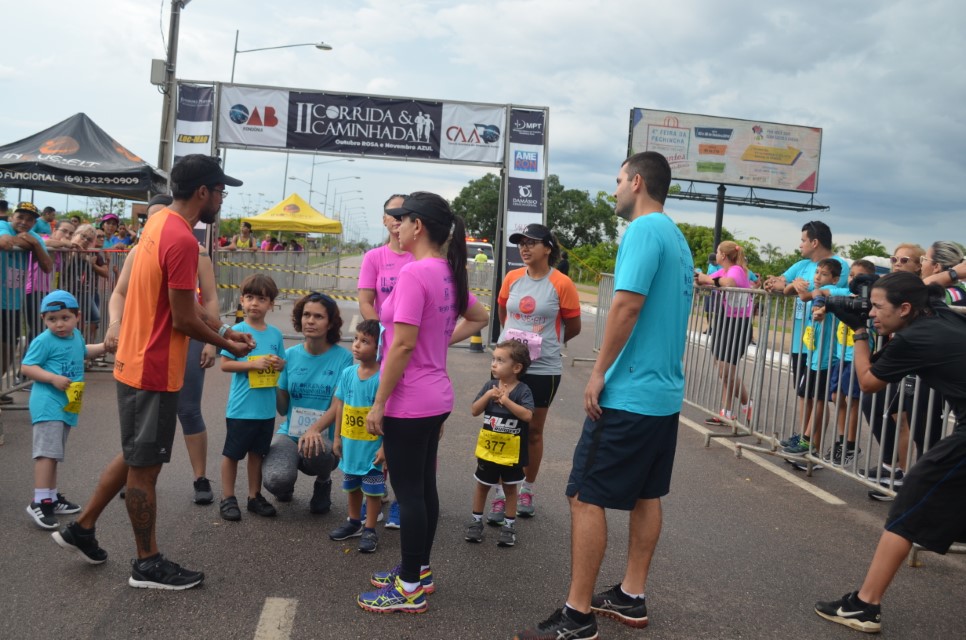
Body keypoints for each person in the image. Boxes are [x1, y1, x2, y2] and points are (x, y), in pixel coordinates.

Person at [51, 154, 253, 590]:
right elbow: (183, 319)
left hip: (137, 361)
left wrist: (224, 330)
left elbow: (183, 302)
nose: (223, 199)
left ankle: (82, 528)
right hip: (153, 369)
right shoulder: (181, 239)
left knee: (133, 455)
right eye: (220, 191)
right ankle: (147, 563)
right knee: (145, 469)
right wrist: (227, 344)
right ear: (203, 191)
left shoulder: (159, 224)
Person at [514, 151, 693, 640]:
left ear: (636, 183)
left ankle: (577, 616)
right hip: (663, 394)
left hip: (629, 392)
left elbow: (627, 305)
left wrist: (598, 373)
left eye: (617, 181)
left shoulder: (643, 230)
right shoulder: (676, 237)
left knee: (583, 496)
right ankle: (631, 595)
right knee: (646, 494)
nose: (614, 190)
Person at [358, 191, 488, 614]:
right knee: (423, 489)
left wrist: (378, 403)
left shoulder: (415, 273)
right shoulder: (447, 271)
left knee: (410, 493)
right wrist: (440, 340)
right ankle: (419, 570)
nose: (396, 225)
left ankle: (409, 588)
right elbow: (480, 316)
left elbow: (402, 345)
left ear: (419, 226)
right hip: (435, 395)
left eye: (403, 218)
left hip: (410, 399)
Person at [815, 271, 966, 634]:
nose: (870, 313)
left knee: (908, 504)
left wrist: (859, 332)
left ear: (906, 308)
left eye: (877, 307)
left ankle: (864, 606)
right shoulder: (940, 315)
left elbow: (868, 382)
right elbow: (924, 289)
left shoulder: (913, 338)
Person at [105, 194, 219, 505]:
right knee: (141, 420)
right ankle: (135, 475)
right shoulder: (139, 250)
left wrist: (212, 340)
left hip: (188, 336)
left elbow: (208, 299)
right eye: (152, 216)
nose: (158, 221)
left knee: (188, 409)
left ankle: (200, 477)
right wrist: (115, 324)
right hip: (145, 344)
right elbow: (119, 293)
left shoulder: (195, 250)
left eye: (162, 214)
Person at [491, 222, 581, 521]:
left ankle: (526, 489)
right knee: (502, 427)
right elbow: (503, 314)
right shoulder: (512, 278)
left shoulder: (562, 283)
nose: (524, 248)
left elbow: (574, 326)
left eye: (531, 242)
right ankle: (501, 493)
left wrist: (547, 344)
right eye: (521, 243)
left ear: (548, 248)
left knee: (533, 431)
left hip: (544, 369)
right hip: (508, 369)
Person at [21, 290, 106, 530]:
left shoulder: (75, 336)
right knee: (46, 454)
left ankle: (51, 496)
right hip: (48, 403)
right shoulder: (44, 341)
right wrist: (52, 378)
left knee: (54, 453)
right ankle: (40, 502)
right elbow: (27, 366)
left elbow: (84, 351)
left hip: (66, 404)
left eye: (65, 318)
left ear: (78, 316)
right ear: (43, 319)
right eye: (52, 319)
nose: (59, 324)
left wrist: (105, 346)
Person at [265, 292, 353, 513]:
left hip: (323, 436)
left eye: (318, 316)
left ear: (330, 323)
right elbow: (283, 409)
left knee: (318, 452)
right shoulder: (289, 355)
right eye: (306, 315)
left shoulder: (343, 358)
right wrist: (274, 380)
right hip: (290, 433)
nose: (310, 321)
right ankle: (285, 485)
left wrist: (313, 429)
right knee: (275, 480)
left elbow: (338, 404)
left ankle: (323, 482)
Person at [765, 221, 848, 447]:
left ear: (815, 242)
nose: (800, 245)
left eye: (803, 240)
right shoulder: (801, 265)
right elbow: (776, 284)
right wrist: (784, 284)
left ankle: (813, 448)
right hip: (801, 341)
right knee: (804, 394)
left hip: (823, 343)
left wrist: (795, 288)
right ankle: (803, 440)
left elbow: (826, 293)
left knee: (817, 396)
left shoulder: (838, 265)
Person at [357, 193, 412, 528]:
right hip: (384, 350)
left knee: (407, 427)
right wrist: (381, 332)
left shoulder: (421, 258)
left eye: (403, 214)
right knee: (377, 425)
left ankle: (403, 499)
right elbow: (366, 300)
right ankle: (374, 496)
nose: (397, 219)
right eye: (392, 213)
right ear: (384, 219)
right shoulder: (374, 257)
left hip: (413, 353)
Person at [218, 274, 284, 521]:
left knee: (258, 454)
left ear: (271, 304)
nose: (255, 303)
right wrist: (251, 365)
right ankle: (227, 498)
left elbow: (281, 363)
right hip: (241, 408)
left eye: (261, 299)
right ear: (242, 301)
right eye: (250, 297)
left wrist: (280, 364)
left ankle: (254, 496)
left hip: (265, 409)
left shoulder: (275, 334)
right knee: (233, 454)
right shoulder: (237, 331)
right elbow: (225, 364)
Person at [465, 340, 534, 548]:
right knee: (482, 485)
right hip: (488, 450)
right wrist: (488, 395)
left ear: (516, 368)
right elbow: (474, 410)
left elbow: (528, 415)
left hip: (512, 453)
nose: (494, 364)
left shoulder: (523, 390)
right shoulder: (490, 386)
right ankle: (476, 521)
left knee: (510, 488)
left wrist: (507, 401)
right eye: (493, 359)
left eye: (500, 360)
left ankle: (509, 526)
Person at [329, 320, 384, 552]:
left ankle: (370, 528)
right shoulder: (348, 373)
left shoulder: (382, 379)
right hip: (350, 445)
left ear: (379, 347)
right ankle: (354, 522)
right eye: (355, 339)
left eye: (365, 341)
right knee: (351, 486)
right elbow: (340, 406)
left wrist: (385, 447)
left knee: (372, 490)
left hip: (372, 448)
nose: (357, 345)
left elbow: (388, 415)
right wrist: (337, 438)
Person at [783, 258, 843, 456]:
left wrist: (817, 300)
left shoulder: (832, 293)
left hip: (825, 360)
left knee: (818, 400)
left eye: (824, 274)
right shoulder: (817, 293)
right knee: (806, 395)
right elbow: (803, 296)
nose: (818, 277)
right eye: (817, 272)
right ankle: (804, 438)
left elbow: (815, 298)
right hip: (813, 358)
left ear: (835, 279)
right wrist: (795, 285)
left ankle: (808, 440)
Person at [696, 241, 754, 426]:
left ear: (724, 255)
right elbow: (706, 280)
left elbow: (728, 283)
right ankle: (728, 411)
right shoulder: (724, 271)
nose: (716, 254)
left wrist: (708, 280)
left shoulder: (736, 270)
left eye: (718, 251)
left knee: (726, 370)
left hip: (738, 324)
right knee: (724, 371)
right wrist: (700, 278)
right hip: (725, 321)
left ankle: (744, 403)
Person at [0, 202, 53, 387]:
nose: (24, 222)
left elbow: (47, 267)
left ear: (34, 223)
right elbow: (5, 243)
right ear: (12, 217)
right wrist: (26, 243)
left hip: (13, 303)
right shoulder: (3, 225)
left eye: (29, 219)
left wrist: (35, 244)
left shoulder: (34, 237)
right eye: (20, 217)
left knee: (9, 348)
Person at [919, 241, 966, 307]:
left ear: (936, 267)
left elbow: (915, 291)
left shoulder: (944, 295)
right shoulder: (963, 287)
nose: (922, 263)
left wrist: (951, 273)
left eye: (925, 259)